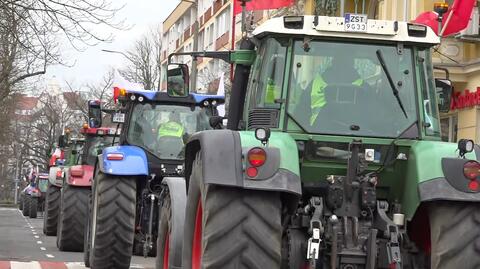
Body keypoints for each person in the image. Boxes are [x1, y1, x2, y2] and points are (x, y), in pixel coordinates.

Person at [306, 53, 364, 126]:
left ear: (333, 62)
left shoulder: (315, 84)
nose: (342, 67)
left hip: (313, 134)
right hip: (313, 135)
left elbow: (300, 115)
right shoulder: (364, 87)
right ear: (352, 64)